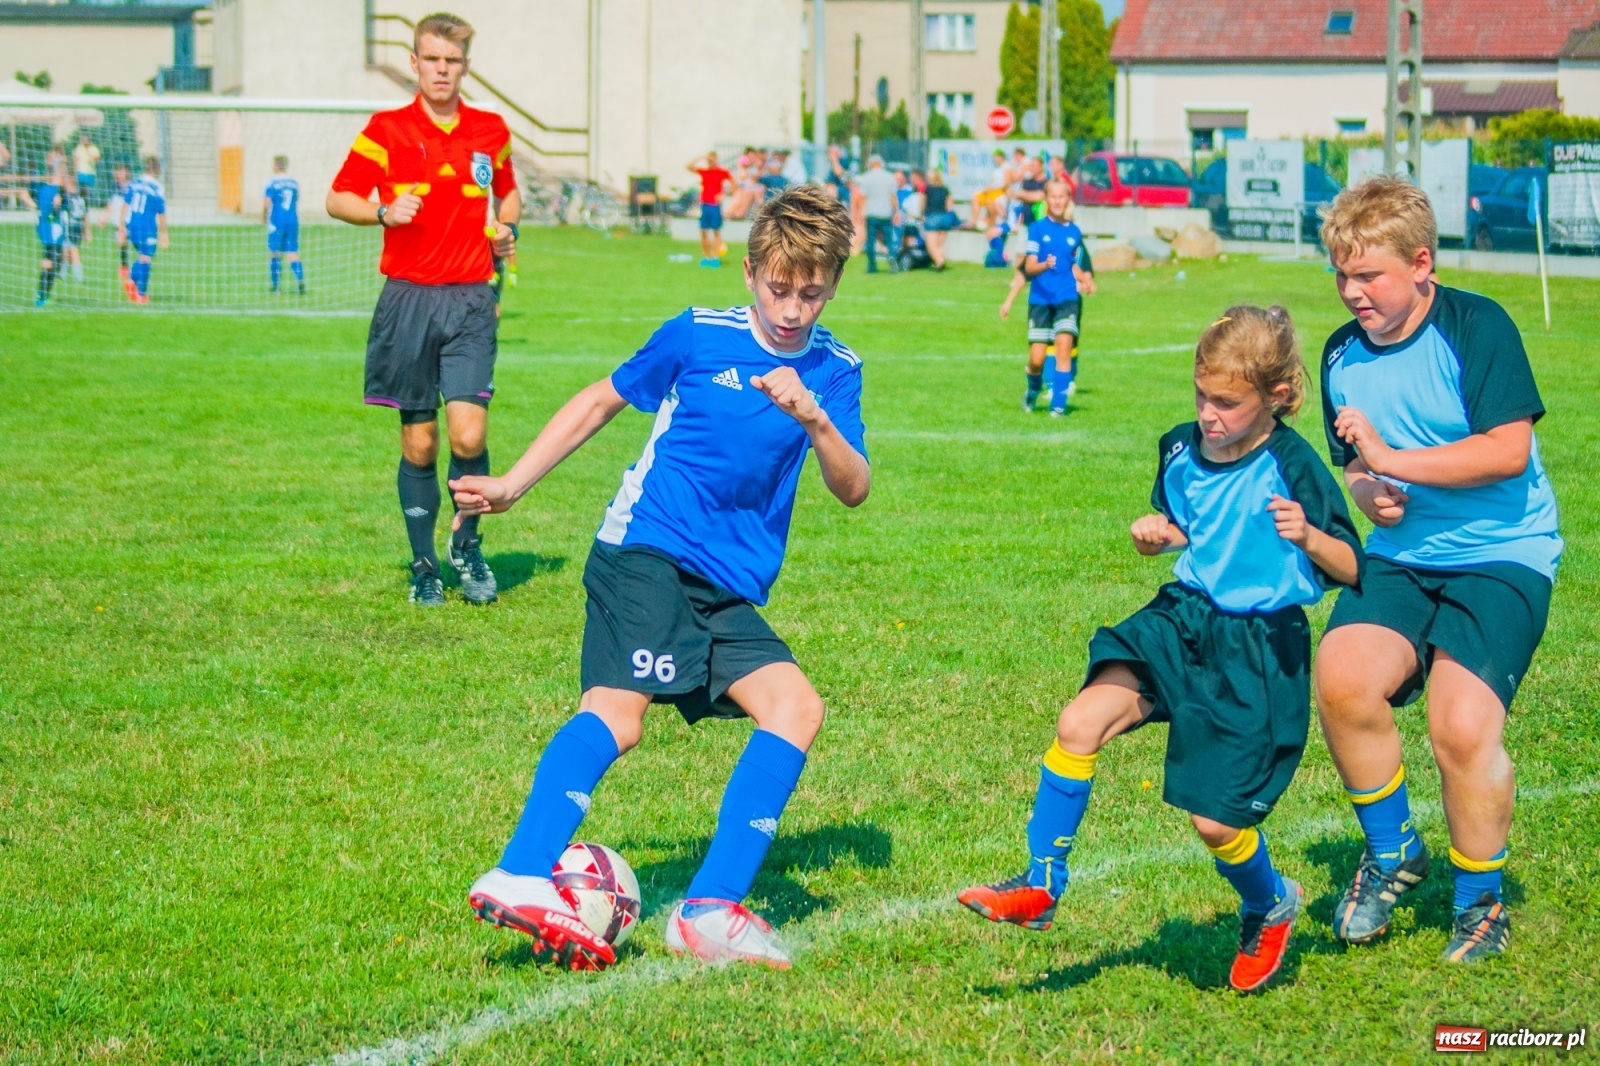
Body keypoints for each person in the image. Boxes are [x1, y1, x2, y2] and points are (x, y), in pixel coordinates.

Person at [453, 184, 867, 971]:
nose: (792, 309)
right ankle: (524, 868)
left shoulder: (836, 369)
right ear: (750, 271)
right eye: (779, 288)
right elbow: (599, 403)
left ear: (833, 286)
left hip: (724, 588)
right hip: (646, 552)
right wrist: (512, 485)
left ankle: (709, 911)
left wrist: (813, 418)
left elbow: (853, 487)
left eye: (811, 293)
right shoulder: (697, 337)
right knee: (618, 715)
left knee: (794, 707)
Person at [958, 306, 1364, 993]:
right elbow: (1190, 527)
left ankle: (1270, 902)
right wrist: (1161, 536)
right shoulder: (1179, 448)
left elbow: (1355, 568)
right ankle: (1041, 884)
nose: (1209, 414)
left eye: (1227, 403)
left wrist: (1309, 538)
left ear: (1276, 398)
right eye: (1202, 395)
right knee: (1078, 722)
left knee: (1214, 823)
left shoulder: (1294, 464)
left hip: (1259, 646)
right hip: (1181, 619)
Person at [1312, 176, 1563, 963]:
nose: (1353, 292)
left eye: (1369, 276)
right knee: (1342, 675)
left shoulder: (1477, 325)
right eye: (1342, 275)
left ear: (1422, 264)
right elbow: (1352, 465)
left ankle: (1480, 903)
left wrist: (1395, 461)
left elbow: (1506, 451)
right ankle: (1393, 855)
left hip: (1501, 555)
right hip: (1402, 558)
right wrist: (1369, 489)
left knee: (1460, 727)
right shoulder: (1340, 355)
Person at [325, 11, 521, 607]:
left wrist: (505, 228)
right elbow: (338, 197)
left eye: (453, 61)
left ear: (465, 65)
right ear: (415, 63)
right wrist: (383, 213)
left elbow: (506, 193)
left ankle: (467, 547)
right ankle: (424, 565)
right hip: (407, 300)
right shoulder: (385, 129)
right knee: (421, 445)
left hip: (469, 298)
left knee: (469, 432)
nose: (442, 70)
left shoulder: (491, 129)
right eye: (432, 60)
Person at [1021, 180, 1086, 415]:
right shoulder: (1037, 229)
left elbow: (1071, 265)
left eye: (1062, 197)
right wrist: (1043, 265)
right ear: (1046, 200)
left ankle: (1058, 404)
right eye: (1053, 197)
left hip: (1067, 297)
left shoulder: (1075, 231)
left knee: (1064, 345)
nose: (1058, 201)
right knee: (1036, 360)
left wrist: (1084, 279)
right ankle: (1033, 390)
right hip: (1040, 300)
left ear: (1068, 199)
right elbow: (1029, 267)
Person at [117, 156, 168, 305]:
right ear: (157, 170)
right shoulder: (157, 187)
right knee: (146, 258)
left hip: (132, 225)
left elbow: (125, 204)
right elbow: (161, 212)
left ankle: (132, 282)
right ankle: (140, 293)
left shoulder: (135, 183)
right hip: (147, 226)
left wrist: (121, 225)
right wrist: (164, 233)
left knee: (141, 256)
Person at [264, 155, 305, 295]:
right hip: (293, 220)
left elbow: (267, 202)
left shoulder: (272, 182)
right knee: (292, 253)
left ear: (275, 165)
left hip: (277, 220)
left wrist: (263, 217)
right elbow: (297, 199)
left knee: (275, 253)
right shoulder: (293, 182)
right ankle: (301, 282)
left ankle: (275, 287)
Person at [689, 151, 733, 267]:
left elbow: (734, 184)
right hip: (705, 204)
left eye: (712, 159)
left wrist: (724, 194)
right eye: (709, 159)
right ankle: (706, 257)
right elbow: (689, 167)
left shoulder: (721, 172)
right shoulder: (704, 172)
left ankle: (715, 257)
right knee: (703, 231)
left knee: (716, 232)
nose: (710, 161)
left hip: (715, 206)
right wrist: (701, 156)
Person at [857, 154, 899, 274]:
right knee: (889, 239)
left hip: (871, 213)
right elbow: (893, 196)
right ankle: (891, 257)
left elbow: (862, 197)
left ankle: (872, 265)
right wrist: (896, 211)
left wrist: (861, 212)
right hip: (886, 213)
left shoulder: (866, 178)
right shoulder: (890, 177)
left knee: (871, 240)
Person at [33, 166, 65, 308]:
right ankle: (43, 295)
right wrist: (56, 207)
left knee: (48, 259)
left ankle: (42, 293)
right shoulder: (56, 191)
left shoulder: (42, 190)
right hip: (53, 229)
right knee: (54, 262)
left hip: (44, 228)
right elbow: (54, 209)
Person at [99, 163, 132, 281]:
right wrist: (104, 219)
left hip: (130, 219)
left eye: (121, 171)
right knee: (121, 242)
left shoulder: (132, 186)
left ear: (127, 173)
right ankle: (124, 267)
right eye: (117, 172)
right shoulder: (115, 188)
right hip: (119, 221)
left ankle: (129, 266)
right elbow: (111, 205)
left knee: (126, 242)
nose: (118, 174)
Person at [922, 169, 956, 270]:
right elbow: (950, 205)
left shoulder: (927, 189)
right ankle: (940, 262)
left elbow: (922, 203)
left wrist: (922, 213)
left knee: (931, 245)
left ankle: (939, 261)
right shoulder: (945, 189)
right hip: (945, 217)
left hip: (932, 217)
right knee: (940, 244)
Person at [970, 148, 1009, 230]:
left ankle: (992, 222)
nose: (994, 160)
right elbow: (992, 182)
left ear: (1000, 157)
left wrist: (993, 189)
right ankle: (973, 221)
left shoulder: (1007, 167)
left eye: (995, 157)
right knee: (976, 197)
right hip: (992, 191)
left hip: (1000, 192)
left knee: (989, 200)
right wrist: (986, 189)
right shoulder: (997, 169)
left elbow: (1006, 184)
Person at [61, 172, 89, 283]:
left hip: (70, 226)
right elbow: (86, 214)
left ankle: (79, 277)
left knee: (73, 251)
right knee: (67, 252)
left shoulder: (66, 197)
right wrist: (86, 230)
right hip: (78, 226)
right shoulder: (81, 196)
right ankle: (62, 275)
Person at [72, 133, 100, 200]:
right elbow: (75, 158)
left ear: (89, 140)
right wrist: (75, 165)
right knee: (82, 187)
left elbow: (97, 159)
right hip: (81, 171)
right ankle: (81, 201)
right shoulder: (79, 148)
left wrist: (89, 154)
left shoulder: (94, 149)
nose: (84, 141)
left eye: (85, 140)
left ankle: (86, 202)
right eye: (83, 140)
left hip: (90, 172)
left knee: (88, 189)